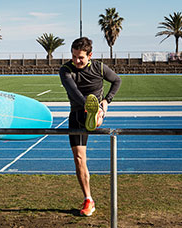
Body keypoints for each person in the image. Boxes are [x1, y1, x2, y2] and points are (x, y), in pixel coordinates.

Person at [59, 37, 122, 216]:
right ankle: (88, 199)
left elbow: (117, 80)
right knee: (79, 159)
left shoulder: (99, 67)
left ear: (90, 55)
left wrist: (106, 100)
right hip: (77, 115)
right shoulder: (65, 69)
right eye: (73, 56)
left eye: (80, 57)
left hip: (96, 109)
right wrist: (87, 105)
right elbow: (73, 91)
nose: (76, 60)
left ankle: (97, 115)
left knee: (96, 115)